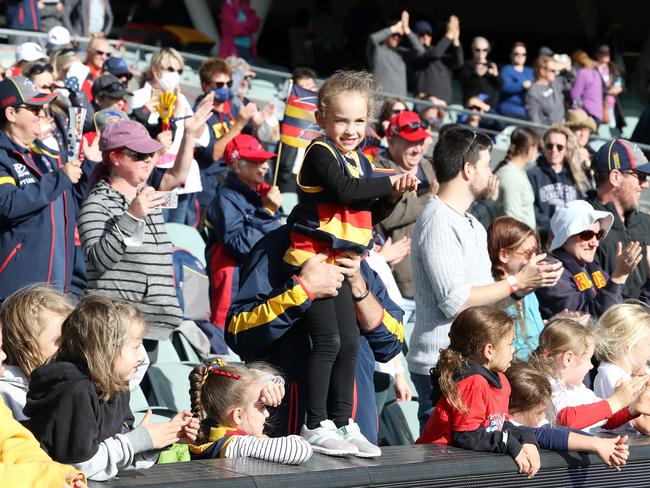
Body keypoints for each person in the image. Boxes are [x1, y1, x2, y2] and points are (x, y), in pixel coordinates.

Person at [281, 70, 416, 457]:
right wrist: (390, 181)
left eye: (359, 121)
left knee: (351, 343)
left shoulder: (360, 160)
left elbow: (366, 214)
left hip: (342, 261)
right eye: (341, 119)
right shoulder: (320, 152)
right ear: (322, 118)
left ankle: (343, 421)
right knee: (328, 341)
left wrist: (393, 195)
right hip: (315, 259)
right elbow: (345, 190)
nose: (351, 128)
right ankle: (315, 422)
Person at [408, 127, 563, 429]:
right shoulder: (438, 221)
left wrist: (524, 287)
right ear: (468, 170)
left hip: (472, 367)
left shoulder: (472, 224)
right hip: (441, 370)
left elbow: (485, 302)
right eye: (486, 165)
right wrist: (516, 283)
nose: (490, 173)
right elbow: (456, 302)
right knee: (446, 465)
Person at [226, 225, 405, 450]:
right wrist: (303, 290)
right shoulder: (275, 247)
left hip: (358, 430)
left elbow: (391, 343)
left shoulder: (360, 257)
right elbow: (237, 331)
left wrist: (359, 288)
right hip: (292, 435)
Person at [24, 295, 199, 481]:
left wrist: (161, 438)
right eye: (135, 347)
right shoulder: (76, 391)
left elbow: (116, 459)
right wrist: (139, 440)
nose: (142, 357)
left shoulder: (118, 386)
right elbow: (80, 467)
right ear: (105, 349)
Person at [77, 115, 210, 342]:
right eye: (138, 155)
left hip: (152, 324)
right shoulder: (97, 203)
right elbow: (97, 260)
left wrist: (188, 135)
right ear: (116, 156)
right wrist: (131, 216)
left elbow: (176, 176)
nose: (148, 160)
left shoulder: (147, 195)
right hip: (117, 325)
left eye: (150, 153)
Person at [416, 307, 542, 479]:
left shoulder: (502, 381)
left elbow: (496, 425)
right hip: (435, 468)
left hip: (460, 465)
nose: (514, 350)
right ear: (489, 350)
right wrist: (509, 443)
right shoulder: (472, 383)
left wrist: (526, 437)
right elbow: (467, 435)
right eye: (510, 343)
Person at [0, 76, 89, 302]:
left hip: (56, 286)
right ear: (11, 114)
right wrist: (59, 178)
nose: (41, 113)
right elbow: (8, 205)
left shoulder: (46, 155)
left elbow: (71, 207)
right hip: (18, 290)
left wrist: (88, 166)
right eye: (33, 108)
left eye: (42, 107)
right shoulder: (3, 156)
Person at [205, 134, 282, 330]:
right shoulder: (225, 198)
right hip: (234, 283)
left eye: (264, 161)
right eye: (257, 161)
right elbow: (238, 245)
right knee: (227, 334)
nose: (264, 166)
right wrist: (267, 212)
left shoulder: (262, 194)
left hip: (258, 279)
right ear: (237, 165)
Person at [130, 47, 210, 225]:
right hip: (153, 177)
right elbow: (133, 135)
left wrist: (200, 116)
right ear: (155, 70)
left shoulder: (180, 100)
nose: (176, 75)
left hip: (181, 178)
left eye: (179, 71)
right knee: (156, 232)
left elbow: (200, 139)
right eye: (171, 69)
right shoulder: (139, 97)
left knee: (179, 234)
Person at [528, 319, 650, 433]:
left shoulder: (577, 388)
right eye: (588, 359)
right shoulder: (547, 385)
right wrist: (616, 401)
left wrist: (632, 409)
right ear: (568, 359)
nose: (591, 366)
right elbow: (566, 420)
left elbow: (605, 419)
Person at [506, 360, 630, 469]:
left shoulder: (532, 420)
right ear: (513, 408)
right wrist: (595, 444)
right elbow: (544, 435)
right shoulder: (506, 425)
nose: (543, 417)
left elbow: (558, 431)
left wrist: (601, 442)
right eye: (538, 413)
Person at [188, 359, 313, 464]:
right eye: (262, 407)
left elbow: (244, 382)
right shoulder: (237, 445)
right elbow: (301, 449)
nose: (267, 414)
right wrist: (262, 438)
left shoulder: (212, 433)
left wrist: (268, 384)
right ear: (238, 415)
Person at [536, 200, 641, 319]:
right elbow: (590, 321)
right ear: (564, 236)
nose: (595, 243)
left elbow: (620, 303)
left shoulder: (589, 266)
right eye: (586, 235)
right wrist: (618, 276)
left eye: (598, 235)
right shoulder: (551, 271)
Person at [375, 110, 434, 301]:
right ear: (391, 141)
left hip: (432, 280)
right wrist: (430, 198)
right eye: (410, 142)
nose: (417, 149)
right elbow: (390, 216)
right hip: (398, 284)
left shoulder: (430, 167)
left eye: (419, 141)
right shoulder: (379, 168)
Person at [194, 57, 259, 229]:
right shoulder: (201, 112)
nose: (225, 88)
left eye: (228, 84)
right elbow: (213, 154)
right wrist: (239, 124)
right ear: (206, 86)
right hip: (207, 190)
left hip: (229, 186)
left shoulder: (232, 107)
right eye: (219, 84)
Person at [587, 139, 650, 302]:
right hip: (614, 323)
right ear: (615, 177)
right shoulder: (585, 226)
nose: (646, 185)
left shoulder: (645, 222)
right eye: (641, 177)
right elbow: (598, 294)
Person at [0, 284, 74, 421]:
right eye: (58, 340)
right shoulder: (7, 394)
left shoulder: (62, 384)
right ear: (25, 345)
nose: (68, 347)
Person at [488, 218, 545, 360]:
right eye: (527, 253)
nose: (534, 259)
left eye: (536, 251)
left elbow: (535, 336)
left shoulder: (529, 289)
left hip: (538, 366)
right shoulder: (491, 293)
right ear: (504, 255)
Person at [0, 396, 87, 488]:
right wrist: (43, 480)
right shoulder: (80, 391)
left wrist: (57, 474)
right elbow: (80, 456)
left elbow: (13, 441)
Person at [594, 303, 650, 435]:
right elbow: (646, 426)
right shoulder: (612, 374)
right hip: (624, 448)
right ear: (627, 345)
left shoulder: (641, 371)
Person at [527, 124, 587, 245]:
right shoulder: (532, 175)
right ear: (543, 148)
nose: (554, 150)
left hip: (571, 241)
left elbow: (582, 207)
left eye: (559, 147)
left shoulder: (575, 176)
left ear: (566, 150)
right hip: (543, 241)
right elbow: (530, 209)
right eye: (550, 146)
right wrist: (554, 228)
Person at [367, 10, 425, 97]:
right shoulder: (377, 50)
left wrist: (407, 30)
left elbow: (421, 52)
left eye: (399, 36)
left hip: (400, 103)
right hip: (382, 102)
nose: (396, 37)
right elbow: (372, 39)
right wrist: (394, 28)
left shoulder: (402, 52)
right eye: (394, 34)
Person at [494, 126, 540, 229]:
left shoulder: (518, 172)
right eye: (537, 148)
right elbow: (512, 218)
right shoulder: (511, 176)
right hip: (517, 240)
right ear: (531, 149)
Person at [410, 15, 463, 103]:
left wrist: (455, 39)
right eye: (422, 34)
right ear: (415, 36)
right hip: (425, 102)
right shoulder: (415, 52)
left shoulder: (438, 53)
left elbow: (458, 63)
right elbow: (434, 54)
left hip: (443, 105)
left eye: (429, 34)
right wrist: (449, 34)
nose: (425, 37)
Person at [525, 56, 571, 126]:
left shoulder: (555, 83)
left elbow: (571, 79)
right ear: (542, 71)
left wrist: (563, 66)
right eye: (553, 70)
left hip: (561, 128)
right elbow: (534, 120)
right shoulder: (533, 92)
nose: (555, 73)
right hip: (547, 132)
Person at [459, 36, 501, 107]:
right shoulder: (467, 65)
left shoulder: (491, 66)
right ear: (473, 50)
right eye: (478, 50)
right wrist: (476, 75)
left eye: (484, 50)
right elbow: (465, 85)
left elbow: (500, 85)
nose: (481, 52)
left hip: (489, 108)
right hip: (473, 107)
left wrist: (496, 76)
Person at [497, 42, 534, 119]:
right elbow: (504, 87)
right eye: (517, 54)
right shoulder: (506, 70)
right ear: (511, 55)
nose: (520, 56)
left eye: (523, 54)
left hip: (528, 111)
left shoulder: (530, 71)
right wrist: (522, 85)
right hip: (510, 110)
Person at [595, 44, 625, 131]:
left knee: (612, 130)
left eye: (607, 52)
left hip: (612, 106)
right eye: (603, 52)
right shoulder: (593, 70)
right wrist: (609, 90)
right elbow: (592, 89)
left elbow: (620, 81)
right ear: (597, 55)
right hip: (598, 106)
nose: (606, 55)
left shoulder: (612, 68)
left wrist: (620, 87)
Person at [565, 108, 597, 187]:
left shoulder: (595, 155)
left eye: (586, 130)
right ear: (569, 131)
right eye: (578, 129)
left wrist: (589, 165)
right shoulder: (558, 150)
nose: (583, 134)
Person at [571, 50, 603, 126]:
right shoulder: (595, 72)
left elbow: (575, 95)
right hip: (597, 114)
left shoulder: (583, 72)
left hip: (587, 114)